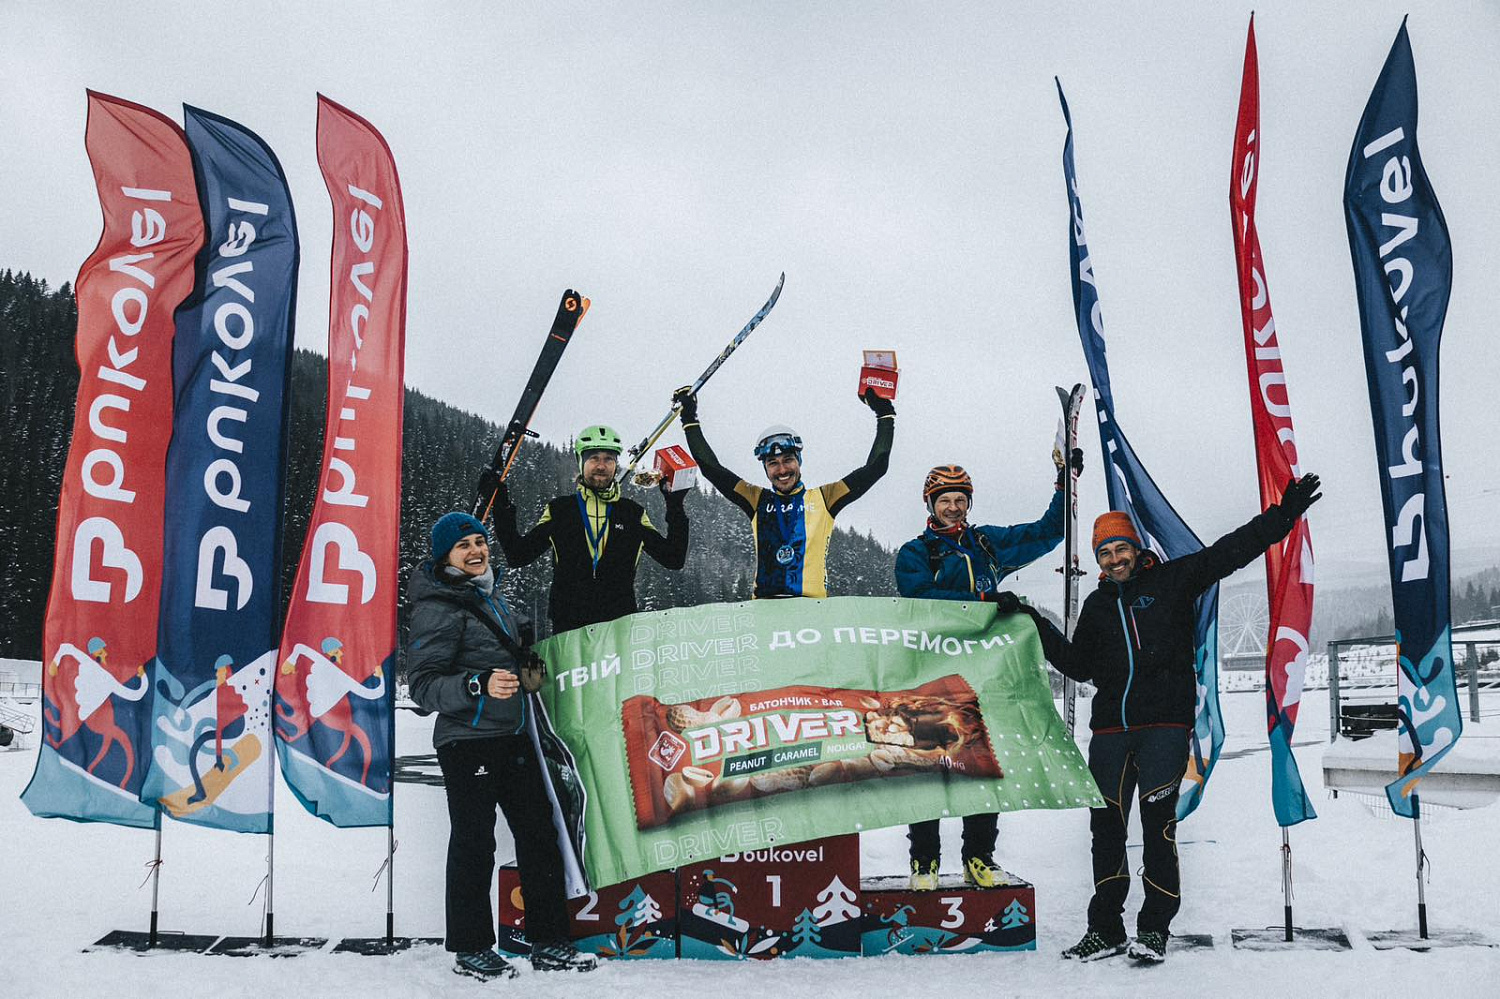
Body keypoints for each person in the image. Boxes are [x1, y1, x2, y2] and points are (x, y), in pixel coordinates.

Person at [997, 474, 1322, 964]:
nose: (1114, 560)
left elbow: (1229, 551)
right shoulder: (1097, 604)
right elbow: (1079, 665)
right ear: (1099, 561)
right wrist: (1031, 620)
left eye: (1120, 549)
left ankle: (1154, 929)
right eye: (1104, 554)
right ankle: (1105, 929)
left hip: (1165, 729)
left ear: (1135, 547)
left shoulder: (1174, 580)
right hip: (1109, 731)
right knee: (1105, 829)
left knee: (1157, 827)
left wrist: (1283, 516)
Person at [406, 511, 597, 980]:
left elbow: (503, 658)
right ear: (444, 557)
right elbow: (423, 686)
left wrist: (528, 671)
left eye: (479, 542)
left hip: (512, 737)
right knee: (475, 844)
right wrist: (477, 685)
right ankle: (471, 947)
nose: (476, 551)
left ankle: (549, 941)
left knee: (539, 835)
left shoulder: (492, 598)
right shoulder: (438, 606)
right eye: (463, 546)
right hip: (468, 742)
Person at [894, 455, 1081, 891]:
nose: (954, 507)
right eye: (946, 500)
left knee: (980, 764)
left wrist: (1063, 484)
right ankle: (924, 862)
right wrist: (984, 600)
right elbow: (920, 596)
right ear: (930, 503)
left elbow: (1048, 533)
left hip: (985, 676)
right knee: (929, 765)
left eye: (961, 500)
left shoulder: (987, 544)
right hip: (930, 673)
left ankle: (979, 857)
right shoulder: (916, 552)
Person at [673, 386, 894, 598]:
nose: (782, 470)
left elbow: (876, 468)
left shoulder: (826, 497)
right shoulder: (756, 499)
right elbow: (712, 469)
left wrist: (884, 414)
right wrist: (690, 420)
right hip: (766, 613)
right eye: (773, 463)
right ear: (765, 468)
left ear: (798, 461)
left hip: (811, 612)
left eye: (788, 460)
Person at [490, 424, 688, 634]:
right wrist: (501, 505)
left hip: (619, 629)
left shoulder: (632, 513)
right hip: (569, 630)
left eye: (609, 459)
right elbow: (518, 555)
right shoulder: (560, 510)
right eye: (594, 458)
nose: (601, 466)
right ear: (581, 461)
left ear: (616, 464)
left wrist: (674, 505)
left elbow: (673, 558)